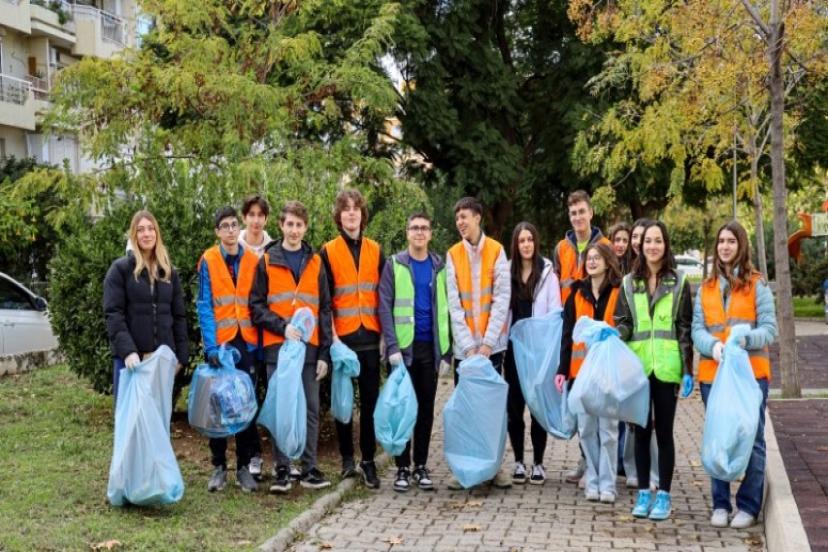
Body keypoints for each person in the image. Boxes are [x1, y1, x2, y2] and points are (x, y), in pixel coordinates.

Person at [692, 221, 777, 529]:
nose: (725, 246)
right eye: (721, 242)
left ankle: (749, 504)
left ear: (741, 245)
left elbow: (769, 330)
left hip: (750, 376)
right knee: (719, 436)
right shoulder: (706, 288)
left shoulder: (757, 285)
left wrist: (744, 340)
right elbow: (697, 330)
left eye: (731, 241)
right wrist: (713, 347)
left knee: (752, 439)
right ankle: (719, 503)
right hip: (713, 374)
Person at [250, 200, 333, 493]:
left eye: (299, 225)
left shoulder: (316, 261)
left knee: (311, 407)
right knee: (283, 407)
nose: (294, 230)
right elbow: (256, 306)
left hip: (310, 350)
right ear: (281, 226)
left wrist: (325, 352)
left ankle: (309, 468)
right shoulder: (268, 260)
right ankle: (282, 468)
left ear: (305, 227)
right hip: (279, 348)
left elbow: (324, 309)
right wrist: (282, 326)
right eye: (289, 224)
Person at [615, 220, 694, 521]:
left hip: (667, 367)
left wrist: (688, 369)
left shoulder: (679, 281)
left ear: (665, 244)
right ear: (641, 245)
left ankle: (664, 496)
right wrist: (615, 333)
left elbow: (683, 326)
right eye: (648, 241)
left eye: (658, 241)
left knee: (664, 432)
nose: (652, 246)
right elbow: (624, 321)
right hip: (638, 368)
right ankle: (644, 492)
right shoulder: (628, 282)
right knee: (640, 430)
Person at [378, 212, 452, 493]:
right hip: (403, 352)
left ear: (430, 234)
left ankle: (420, 465)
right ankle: (401, 467)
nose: (419, 232)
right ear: (407, 233)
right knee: (401, 410)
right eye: (414, 228)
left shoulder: (439, 267)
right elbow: (384, 306)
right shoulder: (394, 264)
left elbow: (445, 310)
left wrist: (446, 353)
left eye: (424, 228)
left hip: (429, 351)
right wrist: (393, 347)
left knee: (424, 411)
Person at [445, 196, 511, 490]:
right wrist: (469, 347)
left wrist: (486, 345)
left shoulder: (497, 251)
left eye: (465, 216)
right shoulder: (452, 254)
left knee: (492, 412)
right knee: (466, 411)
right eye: (457, 217)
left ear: (478, 218)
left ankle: (494, 468)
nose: (461, 222)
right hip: (466, 350)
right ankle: (464, 468)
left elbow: (501, 300)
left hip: (491, 349)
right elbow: (454, 304)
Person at [320, 189, 385, 489]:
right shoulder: (328, 251)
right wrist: (332, 339)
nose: (351, 213)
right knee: (343, 404)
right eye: (345, 209)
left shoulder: (376, 249)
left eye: (355, 208)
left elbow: (383, 297)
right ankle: (347, 461)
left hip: (371, 338)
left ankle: (368, 461)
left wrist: (386, 336)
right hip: (343, 341)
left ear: (362, 214)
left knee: (370, 405)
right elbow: (325, 300)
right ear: (339, 215)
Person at [196, 206, 261, 493]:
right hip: (220, 344)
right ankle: (219, 465)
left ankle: (244, 467)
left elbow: (257, 302)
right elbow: (205, 305)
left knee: (245, 404)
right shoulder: (208, 260)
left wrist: (256, 342)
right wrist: (210, 345)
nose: (231, 230)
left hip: (245, 341)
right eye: (225, 226)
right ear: (217, 231)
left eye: (235, 224)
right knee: (217, 405)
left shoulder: (252, 259)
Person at [556, 243, 622, 503]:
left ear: (607, 261)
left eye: (597, 258)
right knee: (586, 430)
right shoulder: (576, 293)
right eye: (589, 258)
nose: (592, 262)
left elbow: (625, 328)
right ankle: (592, 481)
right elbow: (567, 334)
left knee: (608, 430)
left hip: (608, 373)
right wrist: (562, 369)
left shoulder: (619, 292)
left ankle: (608, 484)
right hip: (580, 372)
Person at [553, 189, 610, 484]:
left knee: (601, 407)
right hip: (572, 329)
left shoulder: (605, 245)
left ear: (591, 213)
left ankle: (601, 468)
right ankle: (585, 460)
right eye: (573, 213)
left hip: (600, 332)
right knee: (581, 406)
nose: (577, 217)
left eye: (582, 212)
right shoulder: (562, 248)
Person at [104, 210, 188, 407]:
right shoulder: (120, 270)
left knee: (158, 421)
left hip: (160, 361)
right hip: (131, 362)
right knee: (132, 425)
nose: (146, 234)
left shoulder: (168, 272)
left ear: (157, 234)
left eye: (151, 229)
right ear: (134, 235)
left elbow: (179, 316)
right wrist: (128, 352)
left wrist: (181, 357)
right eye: (140, 230)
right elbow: (113, 314)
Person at [504, 222, 561, 485]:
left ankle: (538, 462)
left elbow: (554, 312)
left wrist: (548, 350)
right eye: (521, 240)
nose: (526, 244)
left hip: (538, 352)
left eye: (530, 239)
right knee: (514, 408)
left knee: (538, 407)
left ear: (536, 242)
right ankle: (518, 461)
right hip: (513, 351)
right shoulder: (506, 272)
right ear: (515, 245)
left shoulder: (548, 273)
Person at [621, 217, 659, 492]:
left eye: (643, 237)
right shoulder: (627, 276)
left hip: (658, 359)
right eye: (635, 237)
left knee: (654, 418)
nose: (637, 242)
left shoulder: (665, 275)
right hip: (631, 356)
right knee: (634, 417)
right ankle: (632, 466)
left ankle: (654, 471)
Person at [238, 194, 273, 482]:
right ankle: (251, 455)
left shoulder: (273, 247)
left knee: (269, 393)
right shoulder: (233, 246)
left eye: (261, 215)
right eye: (251, 214)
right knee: (246, 394)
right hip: (242, 333)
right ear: (244, 218)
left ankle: (275, 457)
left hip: (269, 331)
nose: (256, 220)